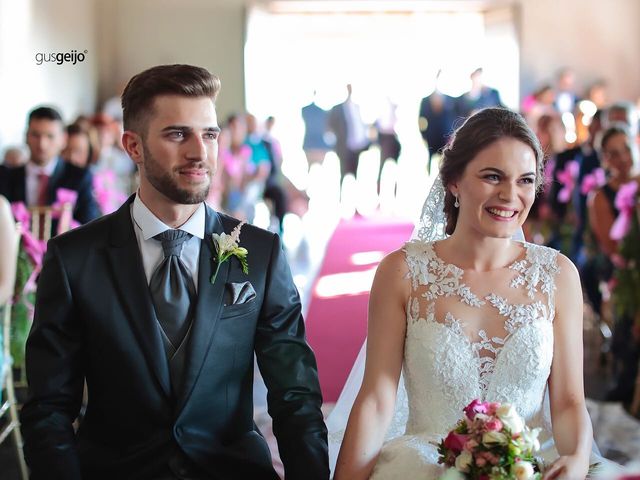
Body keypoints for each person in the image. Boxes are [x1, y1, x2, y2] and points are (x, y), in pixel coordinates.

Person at [20, 64, 329, 480]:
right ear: (133, 146)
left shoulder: (261, 253)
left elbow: (296, 396)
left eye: (210, 134)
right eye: (177, 134)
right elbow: (49, 410)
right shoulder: (74, 259)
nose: (199, 152)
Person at [333, 108, 609, 479]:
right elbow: (377, 399)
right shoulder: (403, 272)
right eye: (493, 176)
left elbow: (569, 401)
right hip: (425, 468)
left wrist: (575, 458)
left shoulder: (557, 276)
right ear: (454, 182)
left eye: (525, 180)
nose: (510, 195)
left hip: (527, 468)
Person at [587, 124, 639, 404]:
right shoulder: (600, 197)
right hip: (622, 268)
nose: (623, 158)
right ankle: (624, 381)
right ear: (605, 158)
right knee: (628, 315)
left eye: (627, 149)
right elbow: (612, 247)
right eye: (614, 154)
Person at [0, 106, 99, 233]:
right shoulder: (6, 176)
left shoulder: (79, 177)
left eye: (50, 136)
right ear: (26, 137)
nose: (42, 144)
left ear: (63, 139)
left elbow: (90, 225)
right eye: (36, 135)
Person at [328, 84, 370, 181]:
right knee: (343, 174)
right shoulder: (337, 108)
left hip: (358, 146)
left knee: (356, 174)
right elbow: (331, 126)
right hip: (343, 147)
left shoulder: (357, 107)